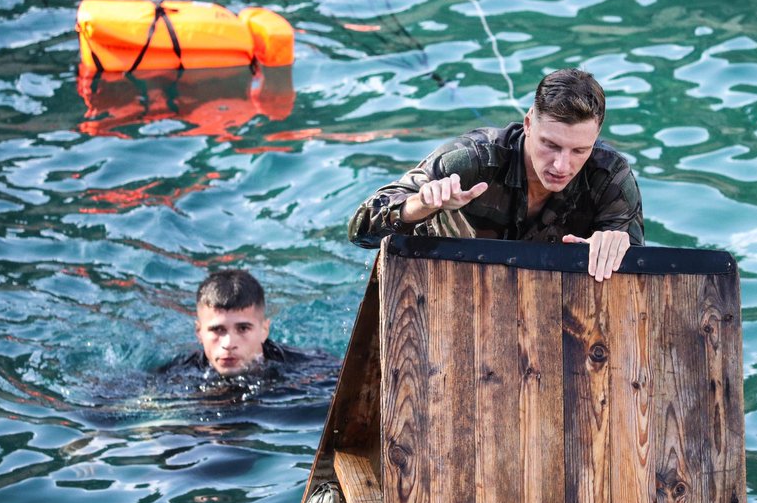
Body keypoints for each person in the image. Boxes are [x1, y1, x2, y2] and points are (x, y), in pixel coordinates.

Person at [347, 68, 643, 280]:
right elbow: (360, 232)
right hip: (442, 288)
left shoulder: (610, 178)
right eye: (550, 145)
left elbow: (639, 284)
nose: (561, 166)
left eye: (579, 150)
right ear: (528, 124)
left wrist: (616, 252)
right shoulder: (472, 161)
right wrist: (420, 206)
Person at [161, 268, 306, 379]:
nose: (229, 344)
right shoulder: (175, 374)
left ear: (264, 330)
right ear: (199, 332)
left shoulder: (303, 369)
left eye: (243, 328)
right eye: (217, 329)